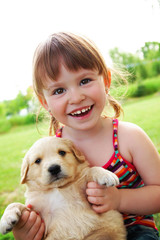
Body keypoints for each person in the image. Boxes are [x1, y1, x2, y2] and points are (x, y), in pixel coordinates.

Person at [13, 32, 160, 240]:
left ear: (106, 80)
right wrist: (25, 231)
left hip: (135, 230)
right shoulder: (53, 151)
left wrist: (119, 199)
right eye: (59, 90)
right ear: (44, 102)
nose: (76, 97)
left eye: (85, 81)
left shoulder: (129, 137)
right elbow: (40, 209)